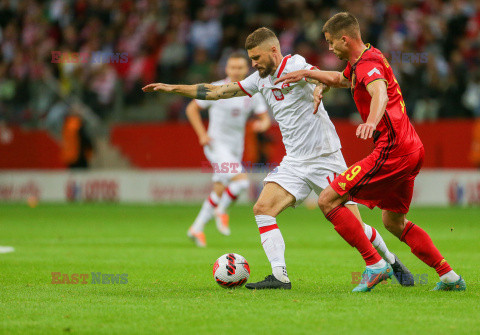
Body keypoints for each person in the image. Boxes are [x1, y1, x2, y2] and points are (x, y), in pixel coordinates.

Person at [143, 28, 413, 292]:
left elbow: (321, 77)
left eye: (257, 57)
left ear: (273, 50)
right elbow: (216, 92)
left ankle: (389, 261)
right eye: (250, 58)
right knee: (262, 209)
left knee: (355, 227)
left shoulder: (294, 63)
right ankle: (279, 277)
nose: (253, 63)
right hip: (294, 162)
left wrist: (320, 87)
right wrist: (172, 88)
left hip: (324, 157)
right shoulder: (259, 80)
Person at [275, 12, 466, 291]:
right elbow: (340, 80)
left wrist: (370, 122)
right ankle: (449, 276)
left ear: (344, 38)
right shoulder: (365, 59)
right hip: (412, 148)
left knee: (328, 200)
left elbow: (380, 93)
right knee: (393, 221)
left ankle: (375, 265)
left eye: (330, 43)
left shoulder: (368, 65)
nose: (329, 48)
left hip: (393, 150)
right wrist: (308, 74)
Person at [185, 52, 271, 247]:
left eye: (240, 67)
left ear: (246, 69)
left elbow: (265, 117)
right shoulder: (216, 88)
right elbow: (191, 108)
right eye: (232, 67)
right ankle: (221, 211)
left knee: (219, 189)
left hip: (235, 147)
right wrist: (202, 134)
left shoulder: (251, 91)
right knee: (241, 183)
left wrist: (263, 125)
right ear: (227, 69)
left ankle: (196, 229)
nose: (236, 71)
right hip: (216, 145)